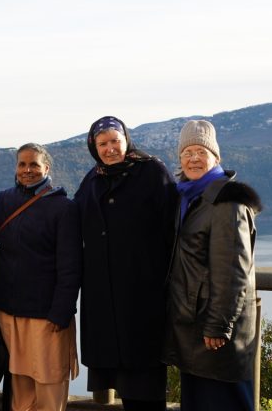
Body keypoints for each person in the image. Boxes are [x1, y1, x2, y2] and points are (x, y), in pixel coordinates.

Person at [73, 116, 178, 411]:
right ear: (94, 147)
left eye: (115, 141)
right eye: (102, 144)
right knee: (119, 377)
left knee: (145, 380)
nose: (110, 149)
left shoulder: (152, 171)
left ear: (126, 140)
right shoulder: (92, 179)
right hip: (104, 300)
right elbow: (75, 223)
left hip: (143, 294)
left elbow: (172, 229)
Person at [163, 120, 261, 411]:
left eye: (201, 152)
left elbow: (233, 272)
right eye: (187, 152)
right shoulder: (190, 198)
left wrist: (219, 326)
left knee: (225, 402)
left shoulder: (227, 203)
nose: (193, 158)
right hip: (194, 329)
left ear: (216, 158)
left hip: (215, 333)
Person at [0, 143, 81, 411]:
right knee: (19, 382)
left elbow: (70, 266)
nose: (27, 170)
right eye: (22, 164)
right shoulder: (5, 200)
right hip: (9, 310)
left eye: (34, 164)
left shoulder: (63, 208)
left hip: (46, 313)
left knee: (49, 381)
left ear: (46, 168)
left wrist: (61, 311)